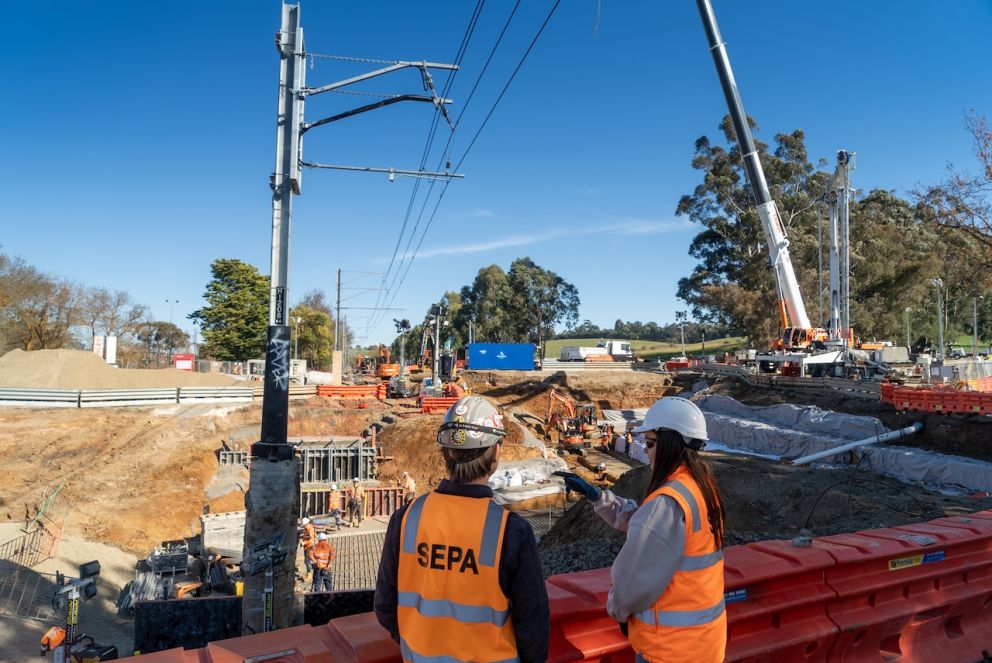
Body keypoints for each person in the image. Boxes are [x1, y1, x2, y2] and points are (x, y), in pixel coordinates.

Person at [375, 396, 549, 663]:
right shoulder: (511, 531)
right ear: (496, 454)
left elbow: (385, 607)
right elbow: (533, 629)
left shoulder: (407, 517)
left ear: (445, 453)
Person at [559, 397, 726, 663]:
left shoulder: (668, 501)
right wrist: (599, 498)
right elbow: (648, 523)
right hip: (704, 642)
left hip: (669, 650)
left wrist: (618, 610)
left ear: (671, 443)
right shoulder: (699, 487)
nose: (646, 451)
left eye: (650, 443)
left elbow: (632, 582)